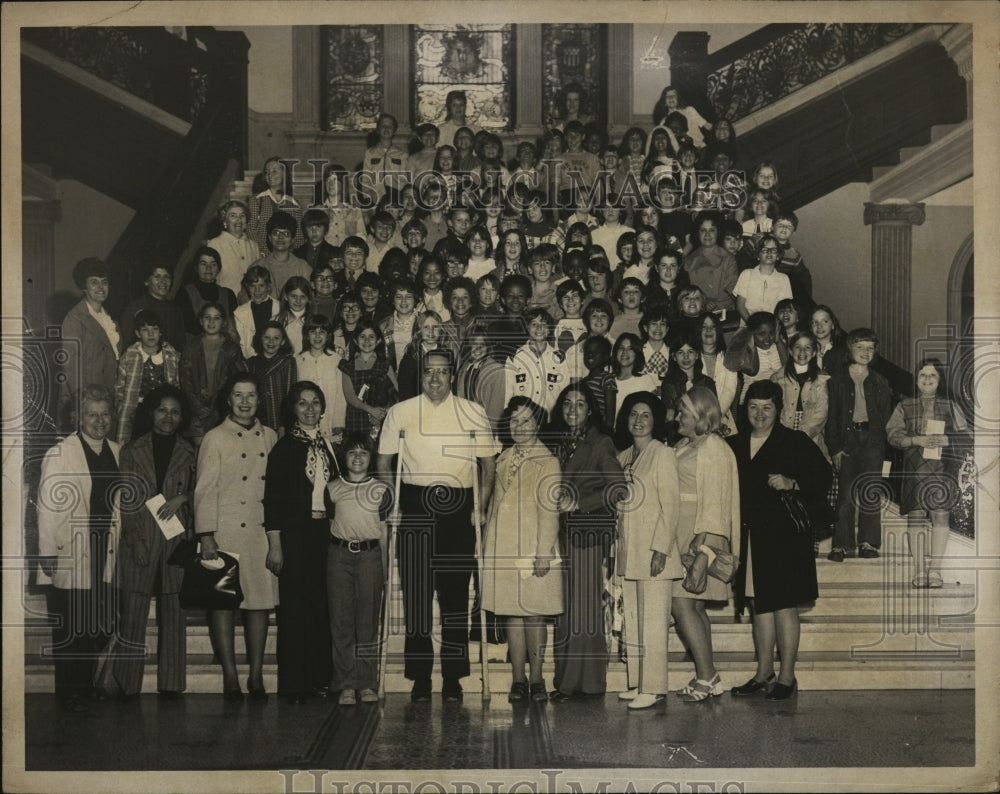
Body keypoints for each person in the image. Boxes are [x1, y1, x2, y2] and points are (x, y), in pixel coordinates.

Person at [376, 349, 500, 703]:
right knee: (416, 595)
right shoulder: (401, 412)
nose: (435, 378)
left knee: (456, 596)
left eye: (442, 372)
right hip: (415, 504)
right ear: (422, 376)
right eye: (429, 372)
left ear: (452, 375)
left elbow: (488, 465)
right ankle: (419, 676)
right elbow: (384, 462)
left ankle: (453, 677)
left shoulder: (472, 411)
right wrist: (393, 500)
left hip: (459, 507)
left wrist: (483, 505)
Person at [728, 380, 831, 700]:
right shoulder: (734, 443)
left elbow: (824, 476)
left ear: (779, 410)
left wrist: (793, 482)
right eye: (754, 407)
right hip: (750, 535)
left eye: (767, 408)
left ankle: (787, 676)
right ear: (745, 410)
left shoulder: (794, 441)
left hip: (785, 535)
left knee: (784, 605)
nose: (760, 414)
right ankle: (763, 673)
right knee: (760, 604)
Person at [38, 385, 122, 713]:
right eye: (92, 415)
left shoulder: (116, 450)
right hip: (71, 549)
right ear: (78, 418)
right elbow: (47, 507)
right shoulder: (61, 452)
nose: (99, 421)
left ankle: (86, 684)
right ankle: (72, 692)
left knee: (98, 622)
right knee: (72, 626)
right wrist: (47, 551)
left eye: (104, 414)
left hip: (105, 550)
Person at [194, 373, 278, 701]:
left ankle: (255, 675)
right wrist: (206, 536)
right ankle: (230, 675)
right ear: (228, 400)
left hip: (259, 532)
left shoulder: (270, 436)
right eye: (238, 395)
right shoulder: (214, 438)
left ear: (259, 400)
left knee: (258, 604)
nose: (245, 401)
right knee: (224, 605)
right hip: (225, 532)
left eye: (251, 395)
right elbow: (204, 491)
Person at [110, 384, 194, 701]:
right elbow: (127, 503)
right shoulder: (131, 451)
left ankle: (171, 684)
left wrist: (184, 496)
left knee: (174, 615)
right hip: (140, 541)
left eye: (174, 411)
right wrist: (135, 540)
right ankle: (127, 683)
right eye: (162, 410)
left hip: (175, 542)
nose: (168, 417)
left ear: (182, 416)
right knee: (133, 614)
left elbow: (202, 492)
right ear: (151, 413)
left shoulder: (190, 451)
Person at [482, 397, 565, 703]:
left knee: (534, 616)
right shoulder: (502, 458)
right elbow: (492, 506)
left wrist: (544, 552)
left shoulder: (548, 461)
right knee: (511, 616)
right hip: (504, 548)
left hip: (532, 549)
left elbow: (550, 511)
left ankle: (538, 679)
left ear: (538, 424)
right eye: (514, 420)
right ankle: (518, 679)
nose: (519, 426)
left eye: (526, 420)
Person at [547, 384, 626, 703]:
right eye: (567, 404)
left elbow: (618, 488)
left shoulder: (600, 442)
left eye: (579, 404)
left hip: (589, 530)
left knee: (583, 609)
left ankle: (588, 684)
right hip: (565, 533)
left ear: (590, 410)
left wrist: (578, 502)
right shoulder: (559, 442)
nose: (572, 410)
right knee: (567, 610)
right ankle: (567, 682)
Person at [263, 381, 338, 703]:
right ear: (293, 409)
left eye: (315, 403)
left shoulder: (328, 445)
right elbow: (272, 500)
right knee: (294, 610)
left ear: (322, 408)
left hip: (324, 535)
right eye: (302, 403)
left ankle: (320, 678)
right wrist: (275, 545)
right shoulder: (284, 449)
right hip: (294, 536)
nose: (309, 409)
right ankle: (294, 684)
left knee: (321, 607)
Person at [669, 387, 740, 702]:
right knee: (694, 606)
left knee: (681, 604)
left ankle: (707, 675)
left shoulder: (712, 447)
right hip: (683, 532)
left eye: (684, 410)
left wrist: (704, 552)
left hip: (699, 536)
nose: (678, 416)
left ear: (702, 414)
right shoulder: (687, 444)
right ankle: (707, 676)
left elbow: (715, 503)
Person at [612, 391, 682, 709]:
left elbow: (671, 505)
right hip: (630, 549)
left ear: (655, 421)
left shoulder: (662, 454)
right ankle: (637, 681)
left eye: (645, 416)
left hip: (655, 551)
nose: (638, 421)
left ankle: (653, 688)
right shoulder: (624, 455)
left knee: (653, 622)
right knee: (634, 619)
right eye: (633, 415)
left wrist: (661, 549)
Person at [886, 358, 970, 588]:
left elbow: (967, 436)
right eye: (923, 375)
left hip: (942, 469)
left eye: (932, 375)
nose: (927, 379)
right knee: (916, 517)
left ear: (940, 379)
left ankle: (935, 570)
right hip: (915, 468)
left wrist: (947, 439)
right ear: (917, 379)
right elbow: (892, 435)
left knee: (940, 515)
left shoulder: (951, 406)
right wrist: (915, 439)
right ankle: (920, 570)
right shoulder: (904, 405)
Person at [326, 433, 391, 705]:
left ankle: (366, 683)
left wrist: (384, 570)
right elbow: (327, 524)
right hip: (339, 556)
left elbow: (385, 533)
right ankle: (346, 684)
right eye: (352, 452)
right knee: (341, 621)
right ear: (345, 457)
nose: (357, 457)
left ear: (371, 458)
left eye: (363, 453)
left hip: (369, 557)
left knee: (367, 622)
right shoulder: (332, 488)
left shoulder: (381, 489)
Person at [825, 328, 893, 562]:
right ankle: (841, 545)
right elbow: (831, 417)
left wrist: (881, 447)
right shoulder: (837, 380)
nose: (865, 352)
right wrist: (834, 448)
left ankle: (868, 542)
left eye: (870, 348)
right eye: (860, 347)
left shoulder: (880, 381)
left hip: (872, 442)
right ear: (849, 350)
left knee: (870, 492)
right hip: (846, 443)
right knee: (845, 495)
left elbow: (885, 417)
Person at [178, 302, 247, 445]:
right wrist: (197, 406)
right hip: (197, 411)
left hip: (222, 410)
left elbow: (238, 380)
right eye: (207, 317)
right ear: (201, 321)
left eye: (216, 318)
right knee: (201, 450)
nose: (211, 322)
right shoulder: (190, 347)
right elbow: (185, 381)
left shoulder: (231, 349)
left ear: (223, 322)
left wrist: (220, 405)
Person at [60, 258, 122, 414]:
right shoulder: (74, 318)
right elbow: (70, 366)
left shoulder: (110, 319)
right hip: (86, 400)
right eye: (94, 282)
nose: (101, 287)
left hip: (108, 397)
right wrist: (83, 402)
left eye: (104, 282)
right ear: (84, 287)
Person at [113, 309, 182, 445]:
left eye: (155, 329)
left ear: (160, 332)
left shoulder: (171, 355)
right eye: (145, 330)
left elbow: (177, 384)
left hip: (162, 411)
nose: (151, 334)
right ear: (138, 333)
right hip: (137, 410)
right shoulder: (129, 356)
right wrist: (122, 407)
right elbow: (119, 386)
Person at [340, 319, 397, 437]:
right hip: (356, 418)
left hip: (381, 419)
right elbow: (350, 397)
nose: (367, 341)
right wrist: (371, 410)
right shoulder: (347, 366)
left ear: (378, 341)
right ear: (355, 340)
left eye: (371, 337)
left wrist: (382, 413)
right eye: (362, 336)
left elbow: (396, 395)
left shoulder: (385, 365)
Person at [119, 261, 186, 354]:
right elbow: (126, 344)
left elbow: (181, 345)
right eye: (157, 277)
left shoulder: (175, 310)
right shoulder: (134, 308)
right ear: (146, 281)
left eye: (166, 276)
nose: (163, 281)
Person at [175, 246, 238, 344]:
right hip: (195, 350)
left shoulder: (229, 294)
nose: (208, 268)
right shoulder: (184, 293)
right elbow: (187, 328)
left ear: (219, 268)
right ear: (196, 267)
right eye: (203, 264)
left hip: (224, 350)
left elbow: (233, 330)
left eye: (213, 264)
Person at [246, 321, 297, 433]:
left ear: (283, 341)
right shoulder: (251, 363)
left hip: (278, 422)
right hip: (255, 421)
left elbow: (290, 397)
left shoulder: (288, 363)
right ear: (260, 339)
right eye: (267, 337)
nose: (271, 342)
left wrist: (284, 425)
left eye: (276, 338)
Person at [683, 212, 738, 314]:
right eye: (703, 230)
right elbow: (687, 291)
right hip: (697, 311)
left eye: (712, 230)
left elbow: (732, 289)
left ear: (718, 232)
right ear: (698, 232)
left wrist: (714, 305)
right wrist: (704, 302)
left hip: (723, 311)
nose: (707, 234)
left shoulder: (728, 259)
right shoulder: (689, 260)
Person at [249, 156, 304, 252]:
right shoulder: (257, 200)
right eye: (267, 172)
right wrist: (261, 252)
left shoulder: (294, 204)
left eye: (274, 171)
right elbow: (251, 230)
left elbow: (299, 236)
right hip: (263, 257)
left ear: (284, 174)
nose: (270, 175)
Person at [732, 234, 793, 321]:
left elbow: (783, 308)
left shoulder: (783, 279)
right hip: (748, 324)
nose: (769, 252)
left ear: (778, 256)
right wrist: (752, 324)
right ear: (758, 255)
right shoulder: (747, 274)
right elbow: (740, 305)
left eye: (774, 250)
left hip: (772, 325)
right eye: (765, 250)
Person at [208, 199, 260, 296]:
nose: (239, 220)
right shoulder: (214, 244)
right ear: (224, 220)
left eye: (242, 215)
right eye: (233, 216)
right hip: (225, 301)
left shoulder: (253, 246)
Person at [233, 265, 281, 359]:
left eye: (261, 286)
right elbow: (242, 345)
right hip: (250, 362)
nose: (257, 291)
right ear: (247, 287)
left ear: (268, 286)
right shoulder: (239, 313)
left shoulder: (280, 308)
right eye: (253, 286)